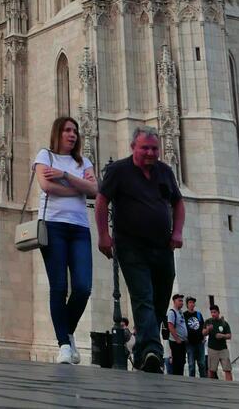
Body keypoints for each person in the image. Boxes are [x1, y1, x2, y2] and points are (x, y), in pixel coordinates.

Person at [95, 127, 185, 375]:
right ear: (133, 146)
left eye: (154, 148)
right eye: (145, 147)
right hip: (131, 246)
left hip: (162, 247)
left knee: (160, 298)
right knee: (143, 296)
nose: (150, 152)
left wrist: (177, 232)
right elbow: (102, 200)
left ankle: (143, 349)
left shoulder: (164, 172)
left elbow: (178, 202)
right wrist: (104, 235)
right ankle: (152, 352)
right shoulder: (118, 171)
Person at [34, 116, 97, 364]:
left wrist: (65, 176)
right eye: (67, 130)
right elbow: (46, 186)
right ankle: (63, 345)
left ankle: (67, 331)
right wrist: (78, 187)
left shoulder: (83, 161)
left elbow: (94, 190)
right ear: (57, 133)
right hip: (52, 226)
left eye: (75, 131)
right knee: (58, 287)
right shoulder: (44, 156)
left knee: (83, 288)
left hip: (80, 228)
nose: (72, 134)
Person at [204, 303, 232, 381]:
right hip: (212, 349)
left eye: (214, 312)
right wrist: (208, 329)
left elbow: (229, 336)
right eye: (211, 312)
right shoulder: (208, 321)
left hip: (223, 349)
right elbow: (203, 333)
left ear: (218, 312)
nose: (213, 314)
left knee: (227, 369)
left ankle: (230, 387)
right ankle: (210, 387)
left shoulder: (224, 323)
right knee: (211, 370)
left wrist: (222, 336)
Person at [166, 292, 188, 375]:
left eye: (182, 301)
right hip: (176, 342)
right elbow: (170, 326)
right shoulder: (172, 312)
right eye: (180, 301)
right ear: (174, 301)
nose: (181, 303)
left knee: (181, 362)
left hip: (182, 342)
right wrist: (177, 339)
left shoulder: (180, 312)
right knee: (177, 362)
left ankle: (180, 377)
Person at [184, 295, 205, 377]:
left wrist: (204, 338)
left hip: (200, 342)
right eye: (190, 302)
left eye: (193, 302)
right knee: (191, 365)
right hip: (190, 343)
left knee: (202, 364)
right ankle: (191, 382)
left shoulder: (198, 314)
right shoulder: (184, 315)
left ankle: (204, 381)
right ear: (187, 304)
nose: (192, 304)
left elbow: (203, 326)